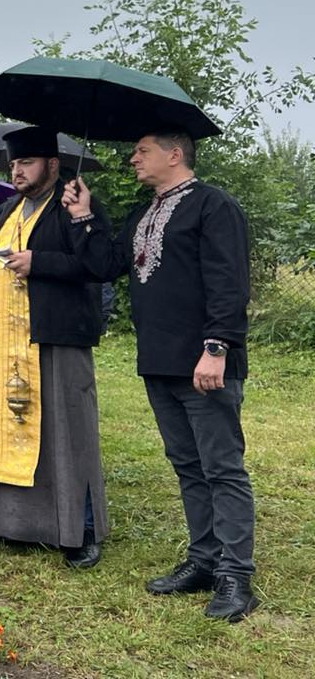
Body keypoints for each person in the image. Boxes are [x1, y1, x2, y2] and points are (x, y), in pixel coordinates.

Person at [65, 131, 257, 620]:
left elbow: (230, 281)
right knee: (188, 465)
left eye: (142, 150)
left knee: (222, 468)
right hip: (159, 361)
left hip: (204, 362)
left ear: (174, 154)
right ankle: (204, 560)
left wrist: (217, 347)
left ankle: (235, 575)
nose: (133, 158)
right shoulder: (143, 213)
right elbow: (106, 265)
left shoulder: (213, 205)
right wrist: (83, 215)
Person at [0, 126, 107, 569]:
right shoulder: (8, 209)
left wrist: (38, 262)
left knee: (67, 435)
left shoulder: (74, 202)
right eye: (13, 164)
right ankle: (19, 525)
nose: (17, 171)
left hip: (55, 334)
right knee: (13, 430)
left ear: (53, 164)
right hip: (7, 342)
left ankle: (81, 530)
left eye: (26, 162)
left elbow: (98, 264)